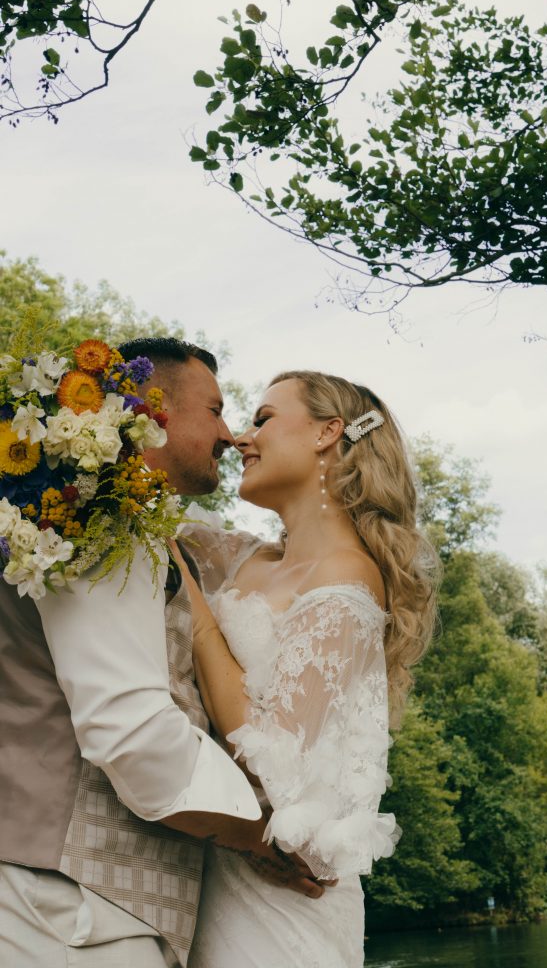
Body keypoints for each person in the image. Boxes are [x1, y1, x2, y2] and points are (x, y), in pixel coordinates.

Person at [0, 339, 322, 968]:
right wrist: (260, 836)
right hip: (74, 913)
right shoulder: (105, 521)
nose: (229, 435)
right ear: (154, 408)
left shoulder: (81, 518)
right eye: (216, 410)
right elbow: (131, 730)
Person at [172, 370, 439, 968]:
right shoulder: (240, 557)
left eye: (263, 419)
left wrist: (199, 615)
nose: (240, 437)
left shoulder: (347, 577)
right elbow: (143, 520)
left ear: (328, 432)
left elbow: (274, 759)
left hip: (284, 902)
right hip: (213, 871)